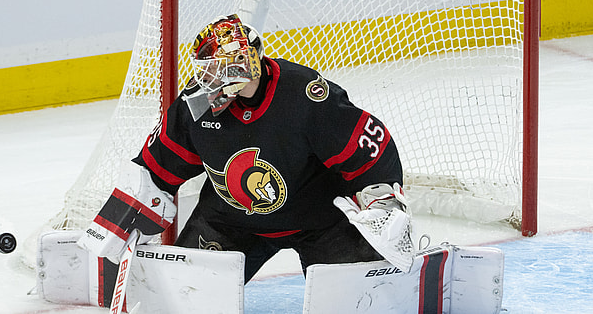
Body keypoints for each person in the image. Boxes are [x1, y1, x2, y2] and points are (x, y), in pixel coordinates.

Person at [78, 14, 411, 282]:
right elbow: (157, 167)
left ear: (241, 65)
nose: (205, 80)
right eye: (203, 69)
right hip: (229, 223)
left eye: (214, 69)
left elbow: (369, 152)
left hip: (321, 222)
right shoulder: (198, 103)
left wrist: (382, 205)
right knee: (184, 297)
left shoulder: (304, 97)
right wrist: (119, 221)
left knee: (361, 301)